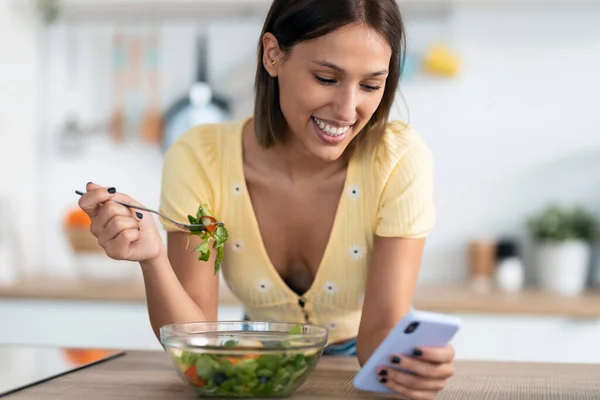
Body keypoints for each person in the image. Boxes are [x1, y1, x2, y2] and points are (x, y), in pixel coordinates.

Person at [78, 0, 455, 398]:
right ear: (273, 54)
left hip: (355, 368)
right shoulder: (200, 158)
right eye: (326, 78)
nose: (347, 110)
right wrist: (153, 259)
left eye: (370, 85)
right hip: (255, 365)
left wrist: (406, 365)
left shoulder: (397, 159)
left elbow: (382, 327)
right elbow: (197, 339)